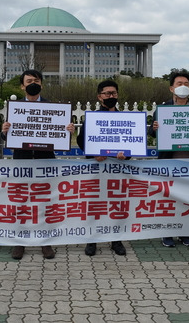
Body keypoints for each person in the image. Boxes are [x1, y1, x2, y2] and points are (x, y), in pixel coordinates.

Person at [1, 69, 75, 260]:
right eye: (28, 81)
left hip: (45, 161)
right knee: (21, 202)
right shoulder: (14, 108)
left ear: (41, 84)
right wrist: (4, 131)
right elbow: (6, 137)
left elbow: (60, 136)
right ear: (22, 86)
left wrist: (68, 130)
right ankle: (20, 242)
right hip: (22, 161)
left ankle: (45, 242)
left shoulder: (53, 107)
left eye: (36, 80)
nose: (32, 83)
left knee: (45, 202)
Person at [77, 80, 128, 257]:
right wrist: (93, 154)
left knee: (116, 205)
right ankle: (91, 240)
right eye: (107, 94)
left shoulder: (125, 119)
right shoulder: (91, 118)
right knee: (94, 204)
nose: (111, 96)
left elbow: (131, 143)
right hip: (97, 168)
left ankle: (116, 240)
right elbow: (81, 140)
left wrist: (125, 155)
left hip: (117, 169)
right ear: (100, 97)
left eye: (114, 93)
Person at [149, 71, 189, 248]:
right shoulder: (162, 110)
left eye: (186, 83)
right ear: (172, 88)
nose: (183, 86)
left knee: (187, 200)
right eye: (179, 83)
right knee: (168, 200)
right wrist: (154, 128)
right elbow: (151, 133)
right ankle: (167, 233)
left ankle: (185, 233)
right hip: (168, 163)